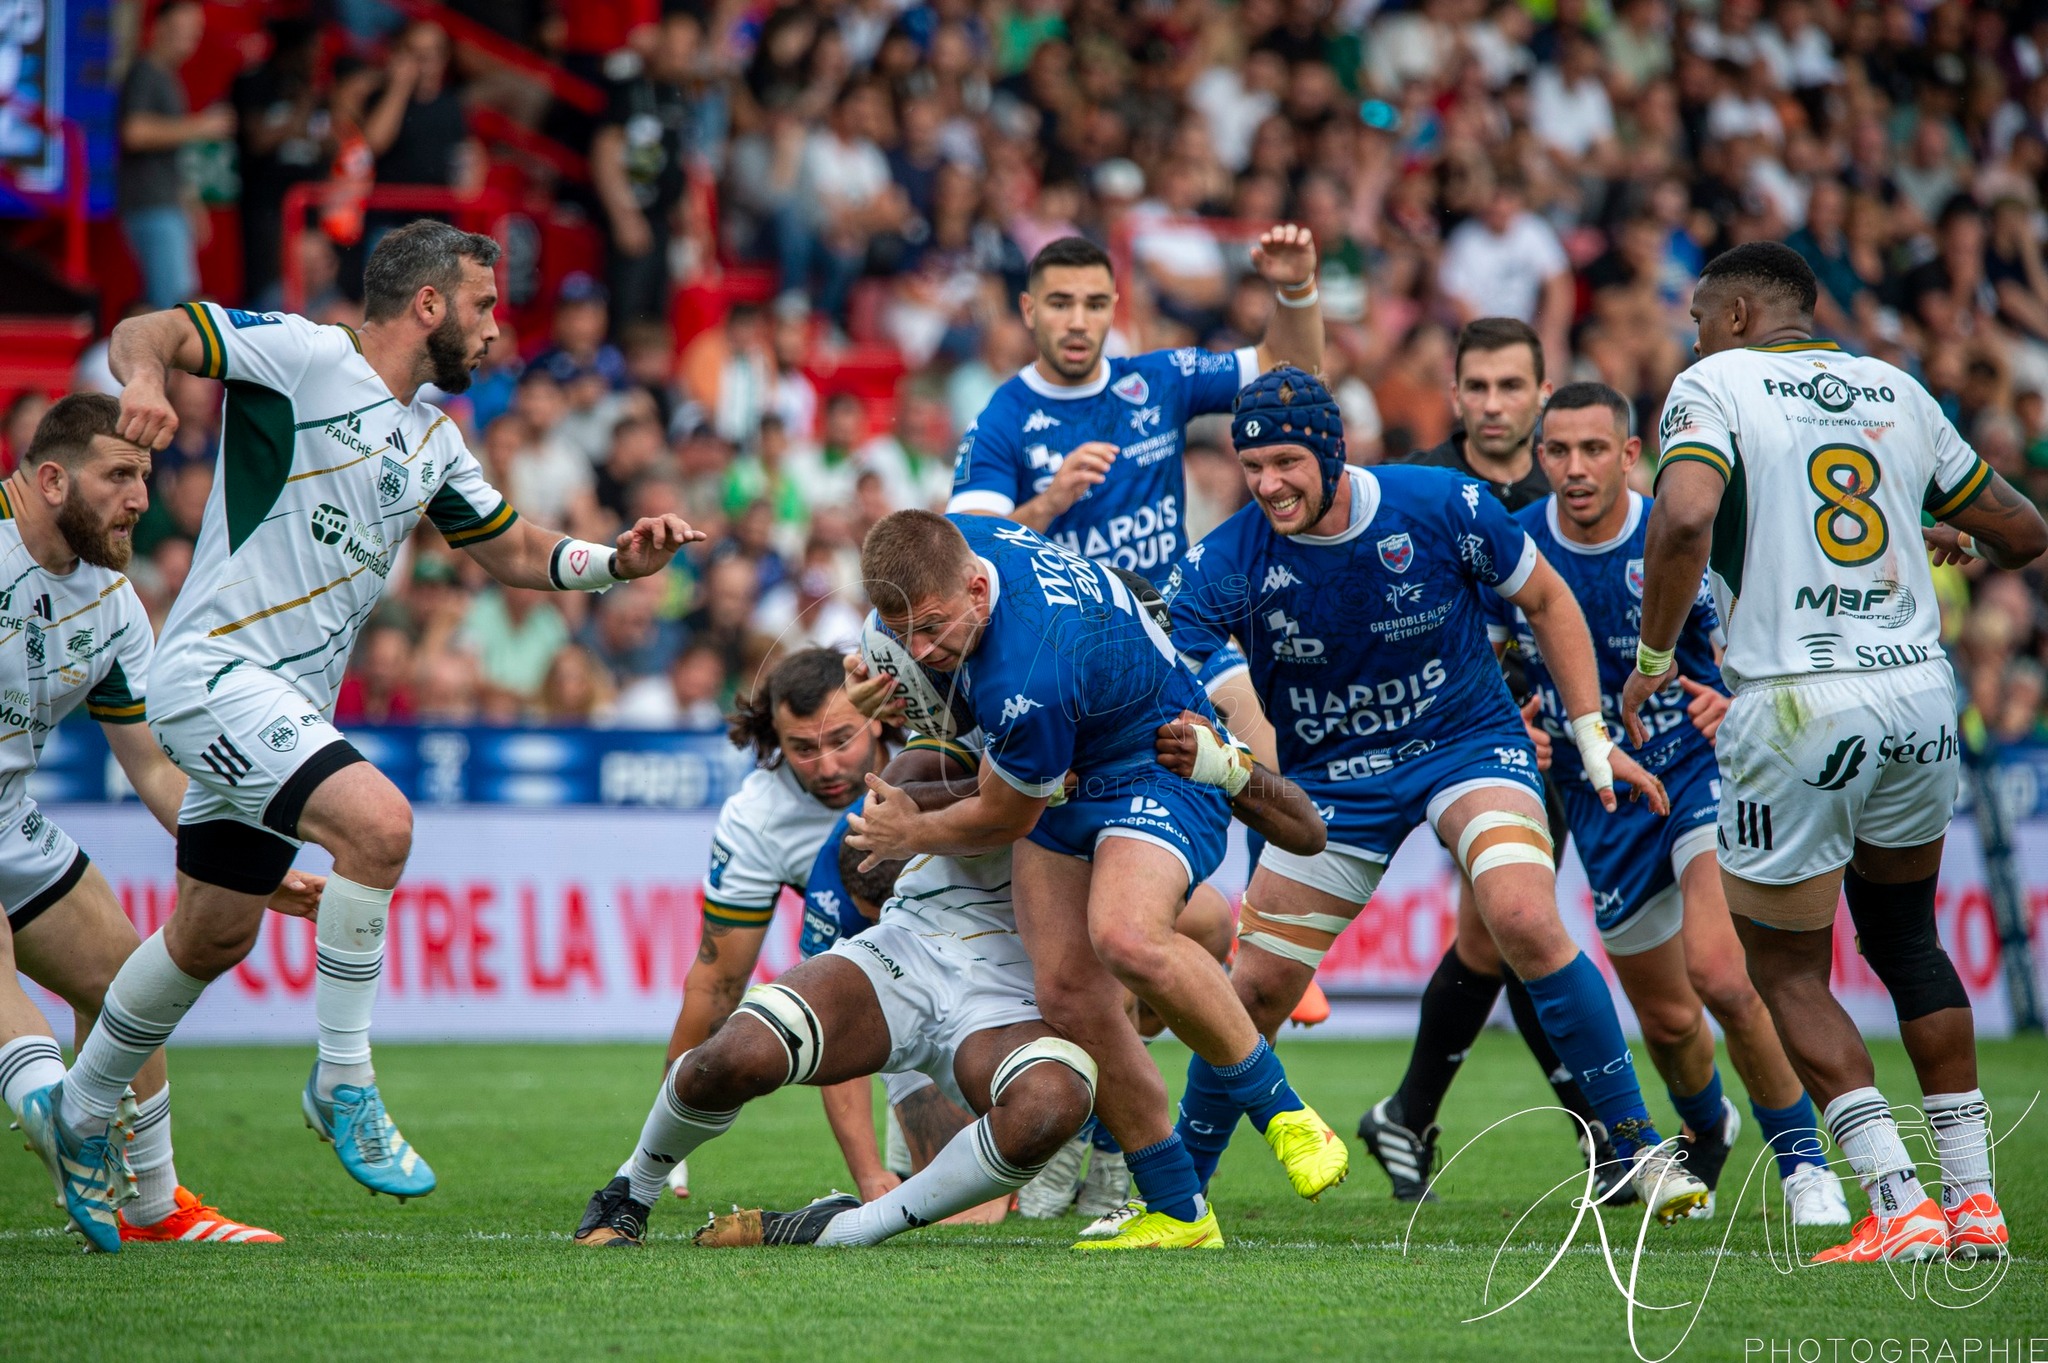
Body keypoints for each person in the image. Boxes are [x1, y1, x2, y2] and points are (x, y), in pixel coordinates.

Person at [64, 221, 702, 1210]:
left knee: (208, 935)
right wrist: (145, 382)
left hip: (281, 710)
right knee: (381, 824)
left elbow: (508, 548)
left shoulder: (434, 438)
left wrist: (615, 560)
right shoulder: (310, 358)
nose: (497, 330)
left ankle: (83, 1100)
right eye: (486, 306)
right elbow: (150, 329)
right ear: (430, 304)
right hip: (212, 672)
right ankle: (343, 1076)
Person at [1160, 366, 1712, 1226]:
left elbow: (1545, 598)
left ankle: (1636, 1146)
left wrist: (1590, 732)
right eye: (1253, 465)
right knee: (1257, 988)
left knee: (1523, 918)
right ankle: (1177, 1194)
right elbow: (1193, 681)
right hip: (1334, 777)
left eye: (1286, 463)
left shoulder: (1442, 505)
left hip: (1467, 744)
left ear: (1331, 452)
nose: (1268, 484)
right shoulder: (1226, 558)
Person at [1622, 242, 2048, 1264]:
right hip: (1913, 692)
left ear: (1730, 314)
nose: (1689, 336)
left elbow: (1682, 514)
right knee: (1905, 940)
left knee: (1782, 965)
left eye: (1693, 319)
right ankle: (1973, 1202)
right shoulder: (1893, 391)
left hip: (1794, 696)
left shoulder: (1711, 382)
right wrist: (1925, 528)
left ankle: (1896, 1201)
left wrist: (1648, 655)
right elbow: (2023, 531)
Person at [580, 676, 1327, 1249]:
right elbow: (895, 798)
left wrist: (1233, 772)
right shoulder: (1004, 709)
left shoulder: (1171, 746)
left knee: (1050, 1102)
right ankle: (632, 1185)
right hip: (912, 952)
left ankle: (847, 1227)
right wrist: (1017, 786)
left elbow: (1305, 830)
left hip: (1017, 1006)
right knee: (732, 1058)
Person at [849, 510, 1348, 1251]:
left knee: (1125, 934)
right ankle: (1179, 1208)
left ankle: (1287, 1114)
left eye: (932, 629)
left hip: (1154, 762)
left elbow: (1002, 815)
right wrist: (881, 679)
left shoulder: (1031, 673)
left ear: (978, 589)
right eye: (905, 632)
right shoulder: (955, 546)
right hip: (1072, 774)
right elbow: (930, 666)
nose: (923, 650)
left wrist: (910, 830)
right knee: (1068, 994)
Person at [1483, 380, 1851, 1227]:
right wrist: (1517, 727)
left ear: (1628, 455)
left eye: (1592, 450)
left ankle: (1804, 1165)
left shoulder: (1680, 533)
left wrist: (1735, 699)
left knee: (1723, 974)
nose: (1574, 469)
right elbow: (1484, 668)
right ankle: (1704, 1120)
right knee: (1671, 1020)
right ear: (1540, 458)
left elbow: (1761, 652)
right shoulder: (1513, 548)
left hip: (1694, 770)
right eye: (1557, 451)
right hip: (1600, 798)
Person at [0, 395, 324, 1252]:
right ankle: (55, 1116)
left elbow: (150, 761)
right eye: (120, 475)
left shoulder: (112, 601)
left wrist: (239, 850)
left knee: (124, 982)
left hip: (8, 822)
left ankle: (150, 1207)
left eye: (145, 476)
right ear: (51, 478)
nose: (141, 497)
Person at [1370, 317, 1630, 1200]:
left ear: (1541, 394)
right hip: (1467, 742)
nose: (1492, 404)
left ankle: (1406, 1113)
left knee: (1496, 936)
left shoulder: (1571, 479)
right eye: (1475, 387)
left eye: (1510, 387)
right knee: (1522, 922)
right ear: (1452, 396)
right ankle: (1609, 1138)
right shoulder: (1417, 487)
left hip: (1577, 734)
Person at [646, 647, 890, 1199]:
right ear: (774, 740)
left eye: (842, 740)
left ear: (878, 715)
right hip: (866, 959)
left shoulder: (929, 748)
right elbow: (718, 982)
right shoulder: (755, 820)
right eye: (802, 748)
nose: (827, 767)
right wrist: (667, 1129)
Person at [947, 231, 1322, 589]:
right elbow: (968, 554)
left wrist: (1297, 289)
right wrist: (1050, 503)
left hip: (1176, 621)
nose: (1078, 323)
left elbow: (1290, 370)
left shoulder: (1162, 378)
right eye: (1060, 304)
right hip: (1075, 639)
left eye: (1093, 305)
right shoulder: (1000, 420)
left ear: (1112, 309)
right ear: (1029, 310)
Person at [118, 0, 234, 309]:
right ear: (158, 28)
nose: (190, 41)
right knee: (176, 309)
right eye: (183, 31)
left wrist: (191, 204)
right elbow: (135, 132)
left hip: (166, 205)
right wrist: (201, 126)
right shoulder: (145, 71)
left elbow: (170, 158)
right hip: (151, 205)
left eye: (196, 34)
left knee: (180, 304)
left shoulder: (168, 77)